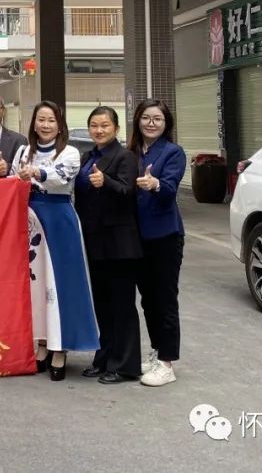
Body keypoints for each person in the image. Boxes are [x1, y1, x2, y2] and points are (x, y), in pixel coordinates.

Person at [12, 101, 99, 381]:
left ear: (60, 125)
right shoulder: (23, 151)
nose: (46, 125)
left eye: (51, 120)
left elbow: (61, 178)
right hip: (30, 219)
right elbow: (13, 181)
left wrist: (35, 173)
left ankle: (60, 347)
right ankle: (41, 343)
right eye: (41, 119)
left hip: (59, 220)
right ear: (34, 123)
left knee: (62, 284)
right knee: (36, 285)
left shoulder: (70, 152)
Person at [73, 105, 142, 384]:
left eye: (105, 125)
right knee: (101, 305)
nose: (99, 130)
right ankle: (102, 359)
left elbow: (128, 191)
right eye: (94, 125)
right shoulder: (88, 156)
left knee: (122, 306)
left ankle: (124, 366)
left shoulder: (125, 157)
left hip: (119, 244)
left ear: (116, 128)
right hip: (94, 242)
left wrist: (106, 181)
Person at [128, 99, 186, 388]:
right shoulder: (131, 152)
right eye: (146, 118)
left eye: (158, 119)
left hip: (165, 236)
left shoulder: (173, 152)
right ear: (138, 120)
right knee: (147, 299)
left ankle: (167, 362)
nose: (151, 123)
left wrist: (156, 184)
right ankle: (156, 351)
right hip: (136, 237)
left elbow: (171, 188)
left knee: (164, 299)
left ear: (166, 124)